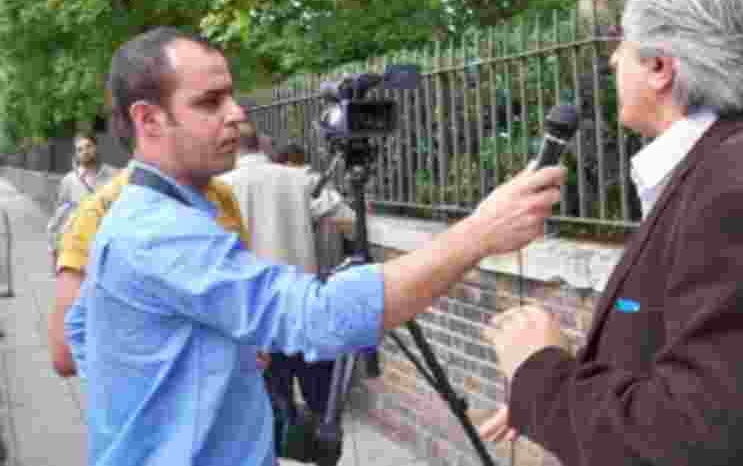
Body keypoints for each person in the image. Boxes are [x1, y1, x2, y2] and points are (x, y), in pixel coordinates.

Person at [65, 26, 565, 465]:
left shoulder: (145, 212)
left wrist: (186, 369)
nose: (237, 114)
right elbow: (321, 317)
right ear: (149, 120)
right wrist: (478, 232)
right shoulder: (159, 232)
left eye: (231, 96)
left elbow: (81, 327)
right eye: (209, 102)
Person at [481, 0, 743, 466]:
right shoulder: (734, 164)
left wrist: (541, 372)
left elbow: (683, 442)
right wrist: (559, 398)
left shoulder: (738, 188)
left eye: (620, 40)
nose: (611, 56)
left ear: (659, 67)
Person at [47, 165, 252, 377]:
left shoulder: (222, 194)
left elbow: (246, 294)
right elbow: (66, 354)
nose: (230, 130)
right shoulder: (100, 208)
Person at [218, 122, 354, 422]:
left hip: (256, 321)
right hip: (305, 311)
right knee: (323, 410)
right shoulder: (300, 179)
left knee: (269, 416)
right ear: (263, 146)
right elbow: (350, 220)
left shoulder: (219, 189)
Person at [45, 134, 118, 268]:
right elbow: (59, 216)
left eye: (88, 146)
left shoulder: (114, 176)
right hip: (80, 249)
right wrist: (54, 250)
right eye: (80, 149)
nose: (85, 151)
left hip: (109, 248)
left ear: (96, 147)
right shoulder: (69, 181)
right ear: (76, 154)